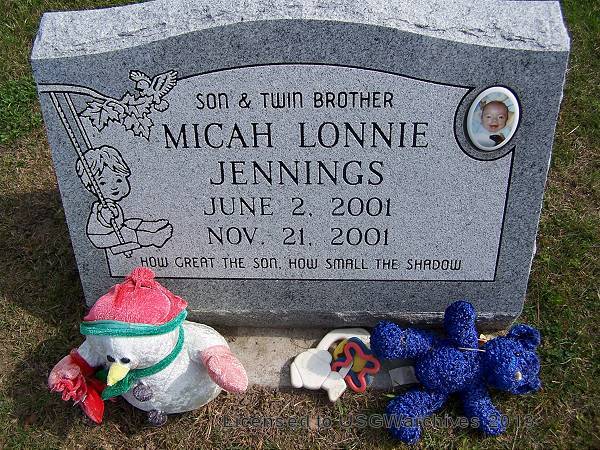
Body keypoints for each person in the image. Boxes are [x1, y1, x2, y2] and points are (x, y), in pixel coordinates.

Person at [76, 145, 172, 254]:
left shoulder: (111, 203)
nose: (113, 187)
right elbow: (104, 220)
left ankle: (151, 226)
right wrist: (106, 217)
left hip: (115, 229)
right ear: (91, 187)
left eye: (118, 180)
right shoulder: (103, 207)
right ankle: (153, 239)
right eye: (103, 183)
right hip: (102, 236)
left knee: (130, 223)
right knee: (128, 233)